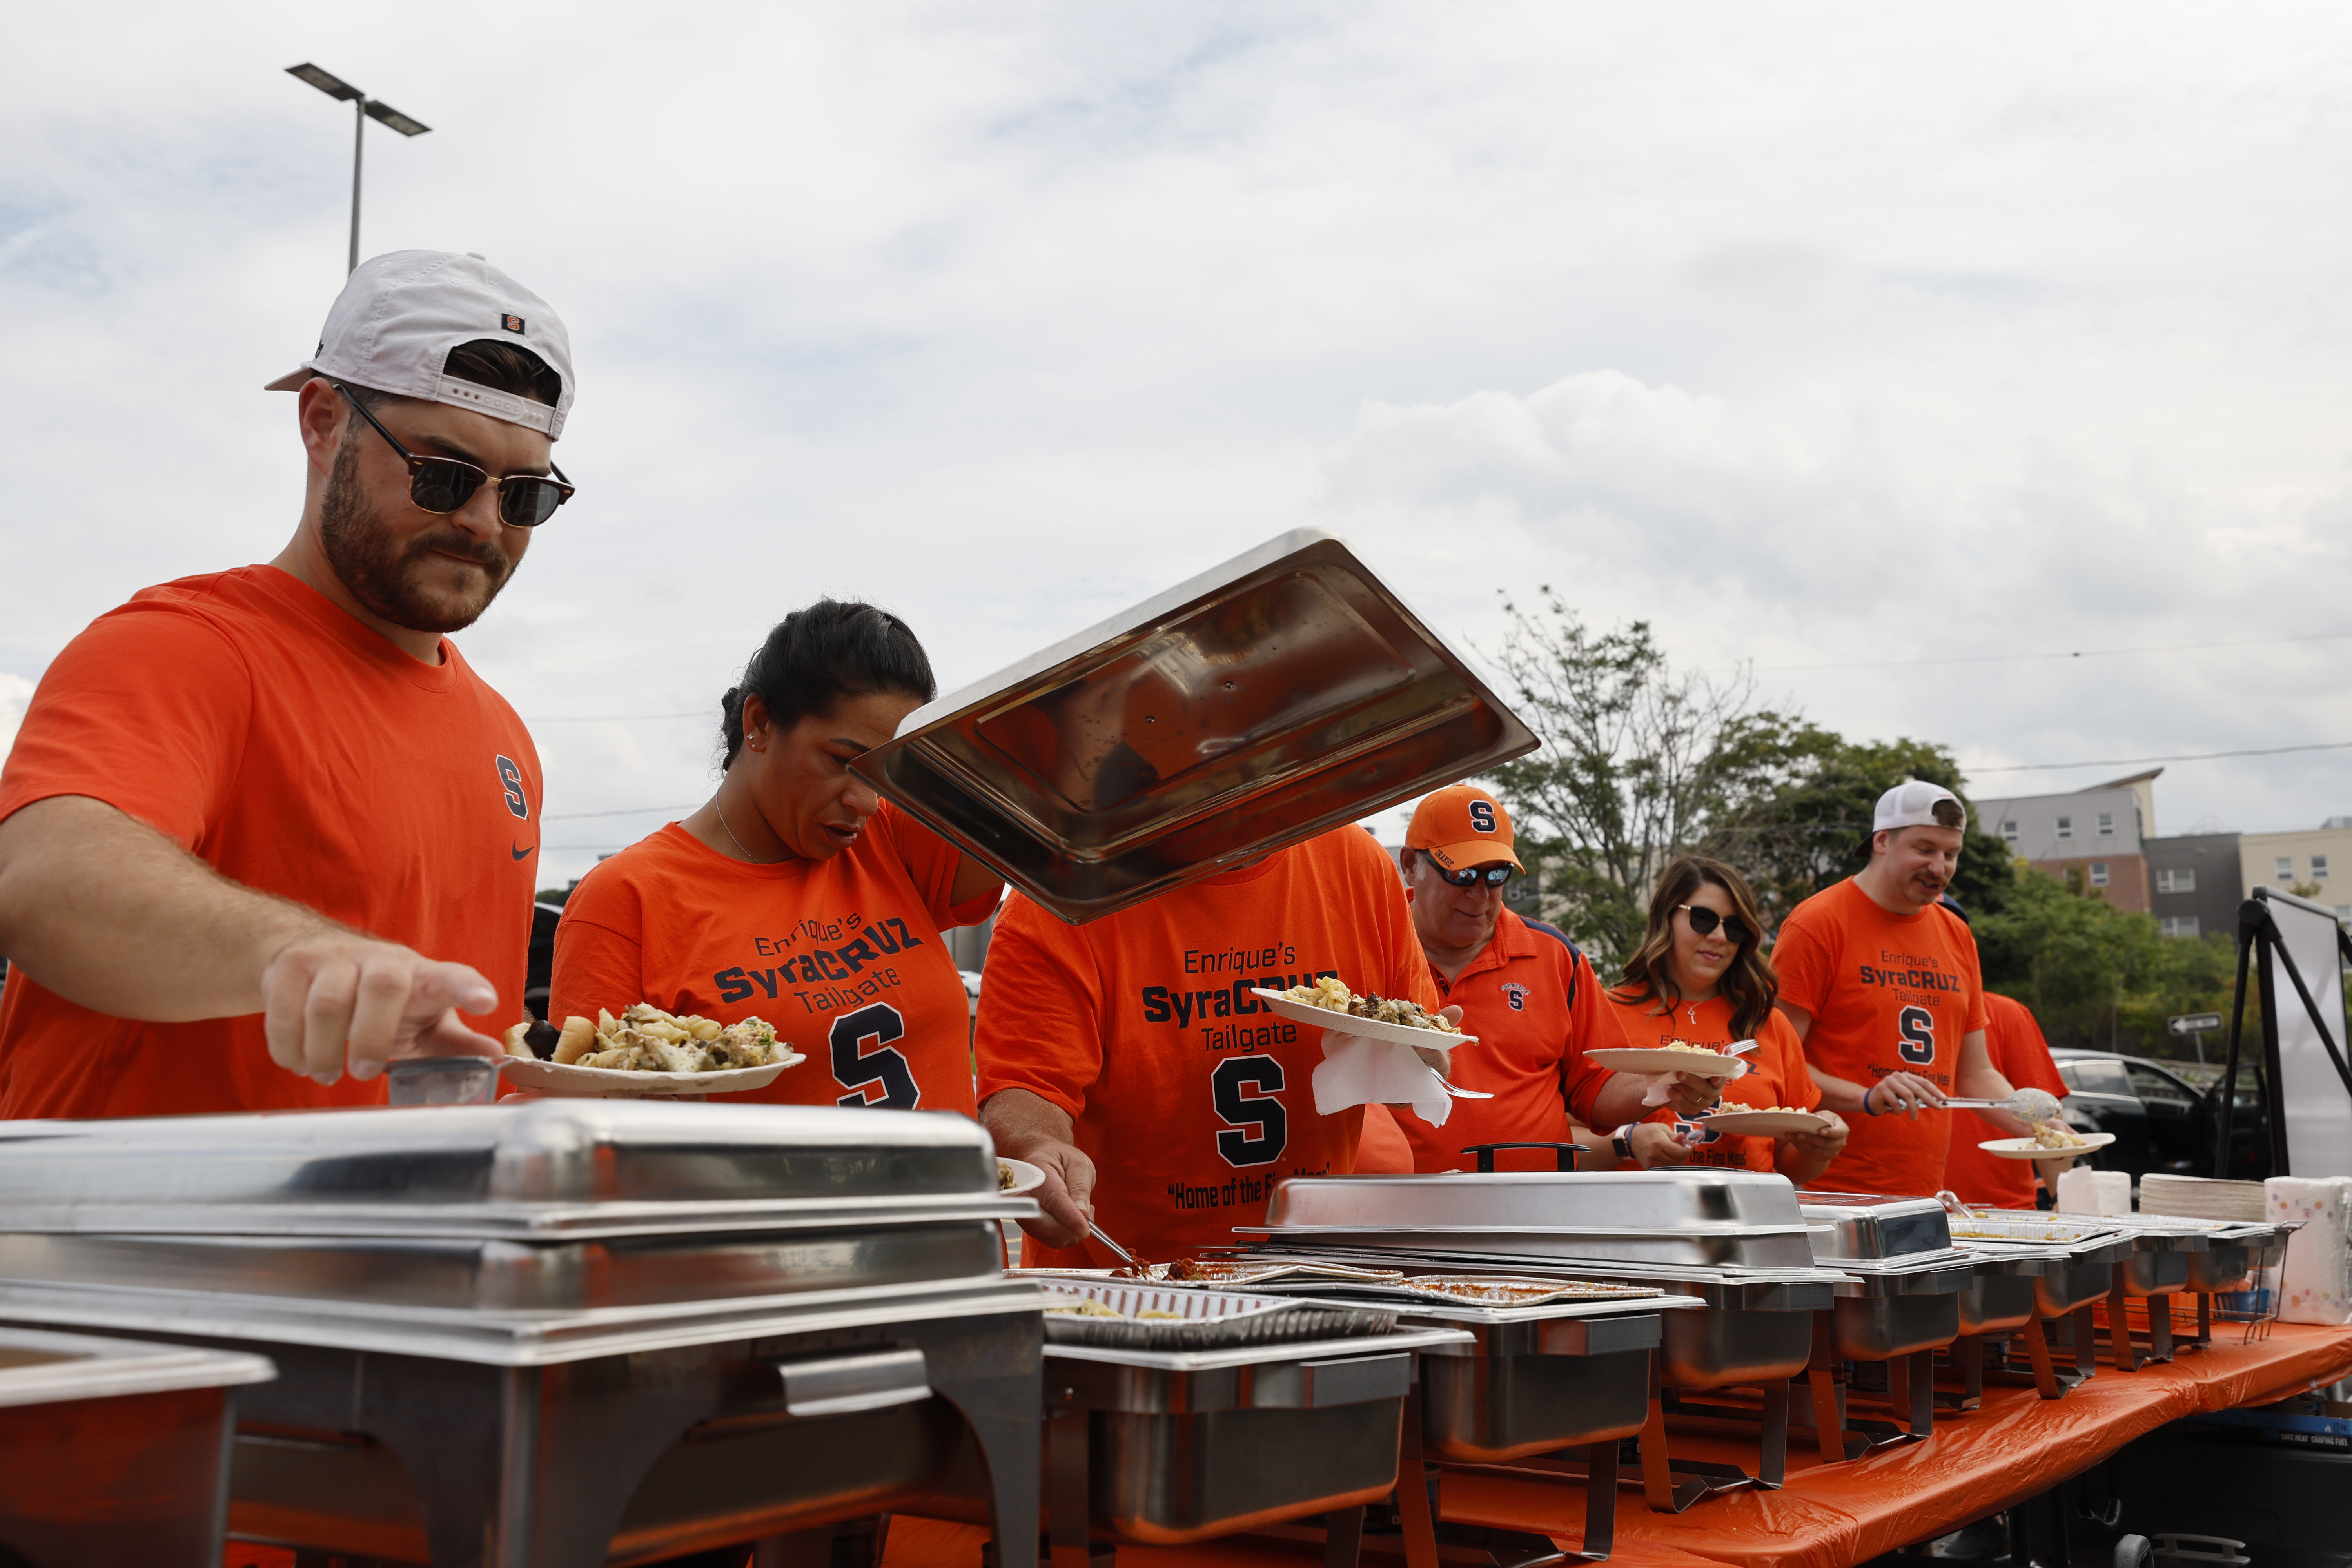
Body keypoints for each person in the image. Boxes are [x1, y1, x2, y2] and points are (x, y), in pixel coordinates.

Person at [0, 250, 577, 1116]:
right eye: (445, 475)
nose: (482, 521)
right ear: (321, 422)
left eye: (526, 494)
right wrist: (294, 951)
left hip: (413, 1242)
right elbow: (45, 880)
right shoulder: (181, 649)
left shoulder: (505, 736)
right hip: (152, 1243)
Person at [551, 601, 1002, 1113]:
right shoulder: (628, 898)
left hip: (953, 1192)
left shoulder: (889, 836)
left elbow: (1048, 823)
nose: (867, 801)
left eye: (887, 770)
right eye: (843, 761)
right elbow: (592, 1120)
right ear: (761, 723)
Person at [977, 824, 1451, 1268]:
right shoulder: (1065, 893)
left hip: (1313, 1267)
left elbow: (1406, 1050)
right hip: (1124, 1278)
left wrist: (1416, 1064)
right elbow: (1024, 1088)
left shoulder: (1356, 864)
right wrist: (1036, 1146)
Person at [1375, 785, 1712, 1174]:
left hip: (1538, 1210)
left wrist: (1671, 1084)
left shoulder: (1554, 955)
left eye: (1496, 874)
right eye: (1462, 873)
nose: (1480, 894)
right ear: (1410, 864)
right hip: (1401, 1211)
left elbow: (1596, 1087)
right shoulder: (1370, 946)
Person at [1774, 780, 2031, 1195]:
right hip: (1827, 1188)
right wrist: (1866, 1095)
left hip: (1924, 1189)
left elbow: (1976, 1073)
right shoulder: (1818, 923)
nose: (1940, 867)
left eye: (1951, 854)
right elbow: (1776, 1062)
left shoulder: (1957, 935)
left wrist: (2042, 1124)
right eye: (1925, 849)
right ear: (1882, 841)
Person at [1602, 856, 1849, 1181]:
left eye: (1734, 927)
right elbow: (1562, 1141)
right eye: (1703, 919)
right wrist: (1628, 1142)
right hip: (1636, 1220)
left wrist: (1820, 1146)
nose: (1719, 936)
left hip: (1748, 1219)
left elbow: (1791, 1168)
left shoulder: (1769, 1025)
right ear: (1667, 916)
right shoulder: (1606, 1011)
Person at [1942, 991, 2074, 1210]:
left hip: (2002, 1211)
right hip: (1896, 1207)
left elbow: (2046, 1121)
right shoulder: (1875, 1003)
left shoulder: (2006, 1014)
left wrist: (2063, 1201)